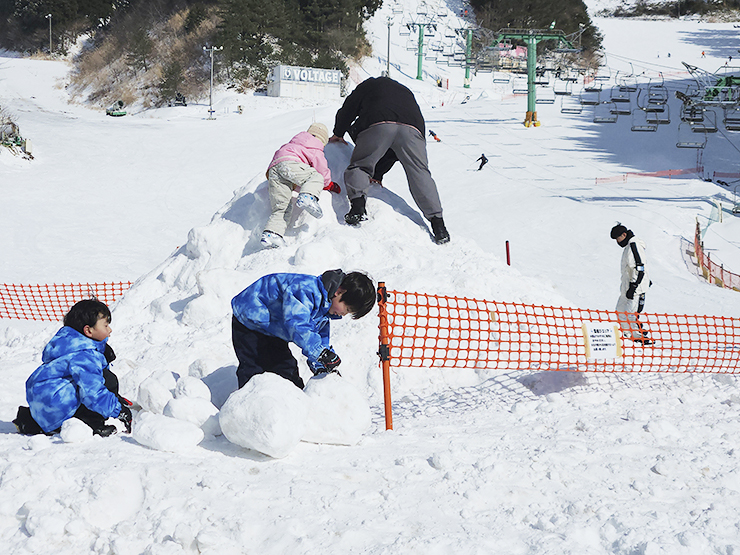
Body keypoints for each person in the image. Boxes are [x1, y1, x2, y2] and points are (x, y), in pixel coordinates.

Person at [329, 76, 450, 245]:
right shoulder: (405, 91)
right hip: (413, 130)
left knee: (360, 165)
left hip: (378, 122)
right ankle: (439, 225)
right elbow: (393, 149)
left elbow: (349, 108)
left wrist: (339, 132)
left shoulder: (368, 85)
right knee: (420, 174)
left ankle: (357, 208)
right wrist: (378, 174)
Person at [231, 269, 376, 389]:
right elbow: (297, 324)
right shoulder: (306, 290)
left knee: (286, 368)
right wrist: (320, 353)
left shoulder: (325, 311)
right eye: (347, 308)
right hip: (249, 321)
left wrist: (322, 365)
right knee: (253, 367)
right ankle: (246, 409)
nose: (343, 314)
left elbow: (319, 339)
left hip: (273, 330)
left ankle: (296, 406)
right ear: (339, 291)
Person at [13, 299, 133, 436]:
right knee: (108, 380)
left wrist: (114, 397)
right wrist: (119, 410)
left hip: (45, 403)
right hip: (58, 404)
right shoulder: (85, 355)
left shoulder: (68, 344)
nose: (110, 330)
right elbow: (93, 392)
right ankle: (89, 423)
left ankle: (31, 421)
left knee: (99, 380)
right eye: (105, 326)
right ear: (88, 330)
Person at [261, 122, 333, 249]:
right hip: (291, 163)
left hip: (275, 169)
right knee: (316, 176)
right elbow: (321, 171)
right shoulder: (315, 147)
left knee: (281, 207)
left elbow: (295, 175)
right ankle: (308, 197)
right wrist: (328, 185)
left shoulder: (292, 143)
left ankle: (272, 234)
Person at [610, 224, 653, 345]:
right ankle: (627, 336)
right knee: (620, 311)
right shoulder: (629, 247)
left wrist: (634, 286)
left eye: (618, 239)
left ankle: (639, 337)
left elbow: (640, 267)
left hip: (635, 289)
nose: (617, 242)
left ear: (624, 235)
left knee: (631, 313)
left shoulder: (634, 245)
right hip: (626, 287)